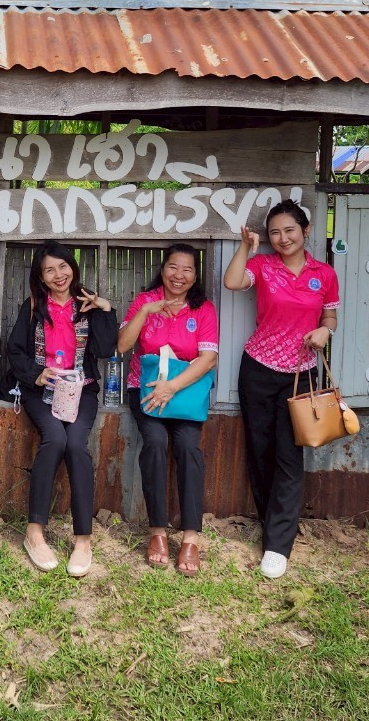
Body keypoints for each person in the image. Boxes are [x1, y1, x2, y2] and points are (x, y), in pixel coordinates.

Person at [223, 200, 339, 580]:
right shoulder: (263, 266)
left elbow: (330, 315)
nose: (282, 238)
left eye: (290, 230)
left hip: (301, 375)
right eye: (275, 232)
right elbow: (232, 282)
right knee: (260, 451)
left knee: (290, 456)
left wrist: (326, 329)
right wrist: (245, 246)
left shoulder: (324, 273)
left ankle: (277, 545)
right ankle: (270, 522)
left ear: (305, 231)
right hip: (257, 369)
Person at [6, 242, 117, 578]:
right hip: (42, 392)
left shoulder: (87, 305)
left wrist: (104, 308)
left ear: (73, 267)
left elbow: (106, 348)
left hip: (80, 392)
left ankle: (83, 539)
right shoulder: (32, 308)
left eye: (63, 266)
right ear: (40, 276)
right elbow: (15, 351)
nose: (58, 275)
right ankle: (34, 532)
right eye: (49, 270)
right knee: (54, 439)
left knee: (76, 446)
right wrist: (36, 374)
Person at [117, 243, 218, 576]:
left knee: (189, 448)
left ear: (195, 275)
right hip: (146, 393)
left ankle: (190, 537)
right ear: (163, 269)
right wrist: (146, 312)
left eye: (188, 269)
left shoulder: (203, 309)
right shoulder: (145, 301)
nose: (180, 275)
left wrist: (172, 387)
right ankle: (158, 531)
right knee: (156, 444)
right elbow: (122, 346)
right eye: (174, 267)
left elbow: (208, 358)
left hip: (185, 395)